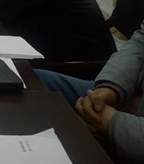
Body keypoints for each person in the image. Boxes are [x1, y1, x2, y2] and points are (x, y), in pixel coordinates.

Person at [36, 20, 144, 163]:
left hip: (134, 128)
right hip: (128, 97)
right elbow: (140, 43)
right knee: (36, 81)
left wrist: (114, 123)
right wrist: (109, 88)